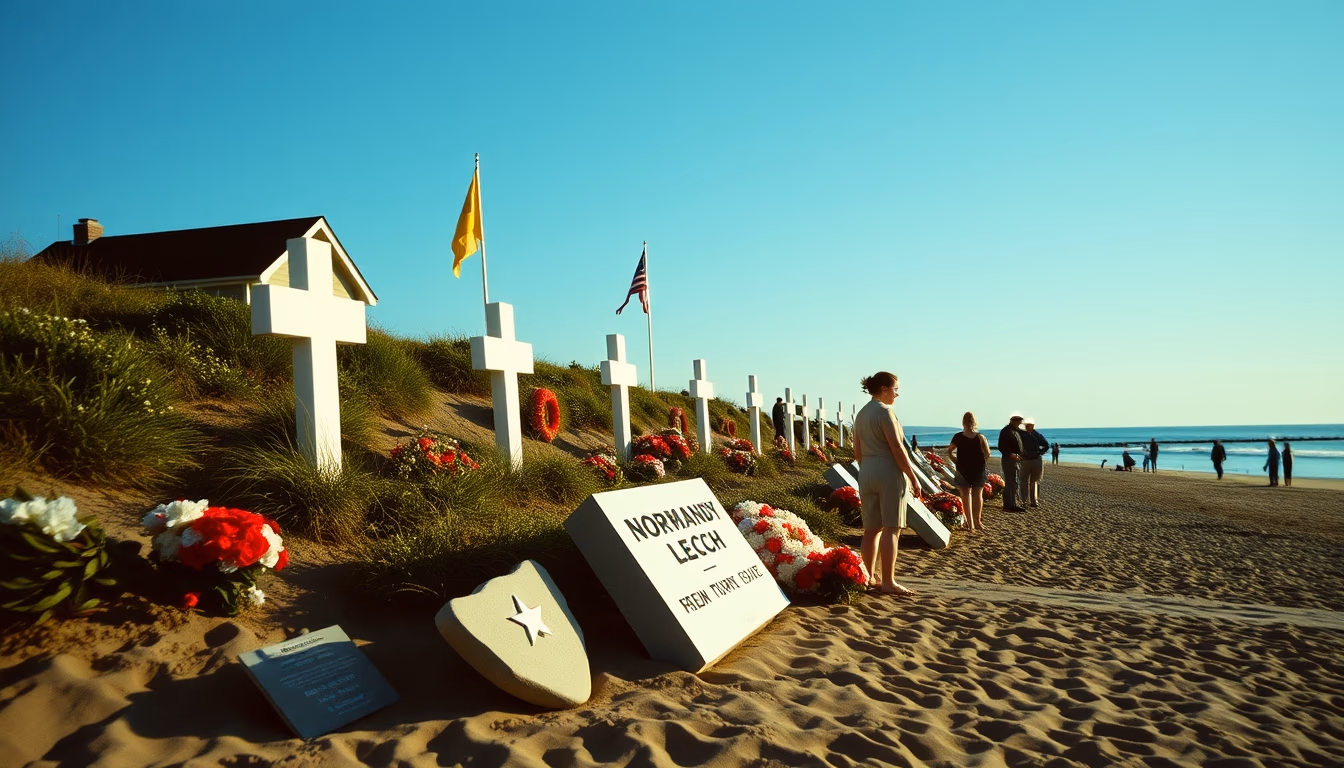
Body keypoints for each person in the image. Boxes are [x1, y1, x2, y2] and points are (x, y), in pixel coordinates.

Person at [852, 371, 921, 596]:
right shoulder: (885, 412)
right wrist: (912, 476)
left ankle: (868, 576)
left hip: (867, 470)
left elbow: (857, 451)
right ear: (883, 389)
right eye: (895, 389)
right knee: (892, 528)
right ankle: (889, 582)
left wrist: (867, 469)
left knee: (871, 529)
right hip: (888, 470)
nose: (897, 394)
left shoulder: (861, 414)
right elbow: (897, 447)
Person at [946, 411, 990, 531]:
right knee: (978, 495)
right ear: (974, 422)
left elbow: (950, 450)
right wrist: (982, 462)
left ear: (963, 423)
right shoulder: (980, 437)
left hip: (963, 468)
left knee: (966, 495)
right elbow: (987, 453)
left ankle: (969, 523)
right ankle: (977, 521)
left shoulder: (958, 436)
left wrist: (955, 460)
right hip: (978, 468)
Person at [997, 414, 1026, 512]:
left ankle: (1012, 503)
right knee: (1010, 482)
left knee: (1014, 481)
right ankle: (1009, 504)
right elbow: (1002, 447)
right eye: (1018, 422)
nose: (1019, 424)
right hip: (1009, 459)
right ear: (1013, 421)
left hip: (1015, 459)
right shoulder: (1006, 431)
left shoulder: (1014, 431)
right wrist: (1011, 455)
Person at [1021, 418, 1049, 507]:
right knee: (1026, 481)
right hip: (1028, 460)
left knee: (1033, 481)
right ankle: (1025, 500)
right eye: (1027, 425)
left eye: (1029, 425)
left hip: (1032, 460)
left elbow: (1046, 445)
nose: (1027, 427)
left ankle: (1032, 500)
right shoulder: (1031, 435)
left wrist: (1040, 452)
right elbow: (1046, 445)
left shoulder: (1035, 435)